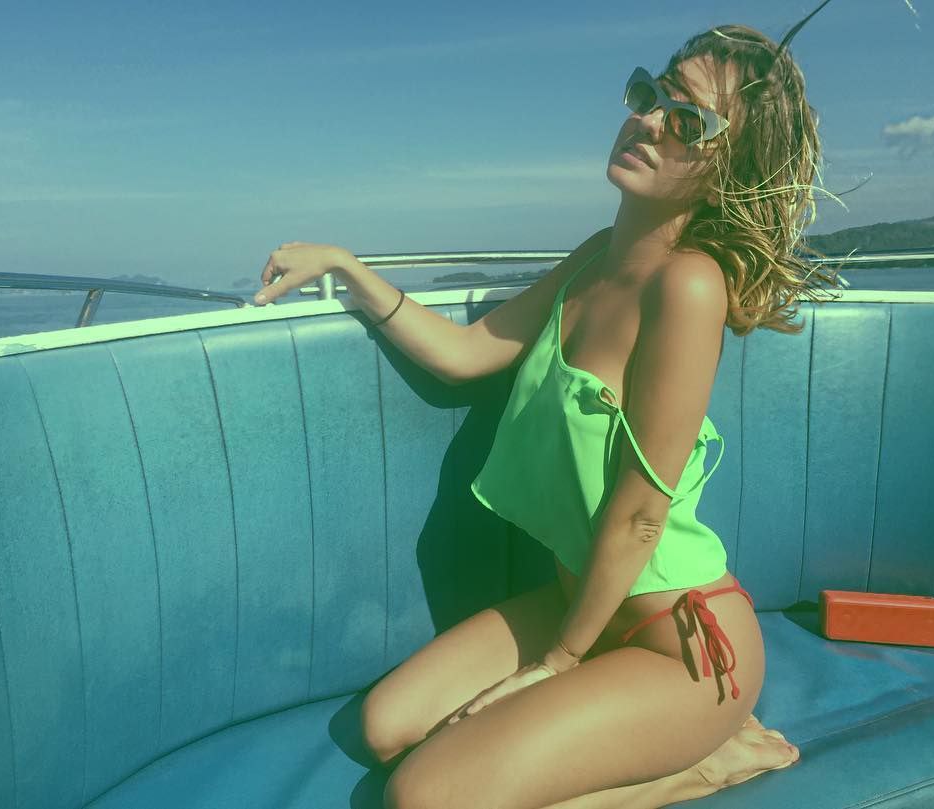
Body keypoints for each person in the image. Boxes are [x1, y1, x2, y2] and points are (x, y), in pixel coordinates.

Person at [254, 15, 844, 809]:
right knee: (381, 725)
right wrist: (347, 269)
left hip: (682, 645)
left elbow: (640, 514)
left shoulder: (689, 286)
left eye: (687, 121)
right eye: (651, 95)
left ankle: (700, 761)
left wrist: (557, 663)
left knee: (421, 798)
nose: (649, 121)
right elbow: (468, 352)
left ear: (726, 168)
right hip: (580, 604)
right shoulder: (595, 257)